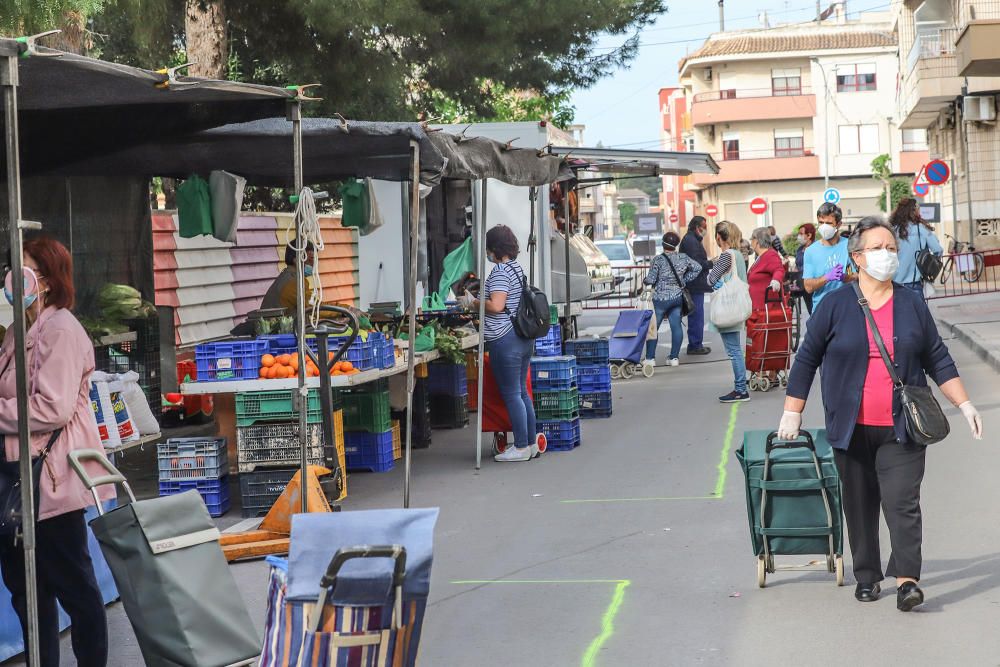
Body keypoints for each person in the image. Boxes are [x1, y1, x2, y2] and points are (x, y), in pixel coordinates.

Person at [778, 216, 983, 612]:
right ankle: (868, 574)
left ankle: (907, 580)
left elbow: (937, 357)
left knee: (902, 502)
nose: (887, 255)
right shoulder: (836, 304)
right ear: (857, 257)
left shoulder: (911, 303)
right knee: (859, 502)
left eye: (892, 248)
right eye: (877, 248)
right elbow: (806, 360)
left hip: (901, 426)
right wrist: (793, 412)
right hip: (850, 425)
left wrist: (964, 403)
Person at [0, 236, 112, 665]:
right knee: (28, 593)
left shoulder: (62, 328)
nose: (13, 277)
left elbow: (53, 406)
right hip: (15, 481)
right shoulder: (17, 329)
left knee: (75, 587)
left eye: (23, 269)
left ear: (45, 280)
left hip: (52, 479)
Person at [463, 225, 544, 462]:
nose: (488, 253)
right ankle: (530, 444)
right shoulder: (517, 269)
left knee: (511, 394)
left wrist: (473, 303)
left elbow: (497, 306)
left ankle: (519, 447)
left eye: (488, 249)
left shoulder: (499, 271)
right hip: (522, 339)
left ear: (495, 249)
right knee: (521, 393)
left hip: (504, 340)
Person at [641, 232, 702, 370]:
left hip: (660, 299)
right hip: (677, 298)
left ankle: (650, 359)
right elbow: (698, 268)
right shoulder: (683, 257)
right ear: (676, 245)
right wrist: (684, 280)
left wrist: (646, 281)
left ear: (663, 244)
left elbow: (650, 279)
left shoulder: (658, 260)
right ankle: (674, 357)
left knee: (653, 328)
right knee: (676, 326)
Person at [707, 221, 750, 403]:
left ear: (719, 237)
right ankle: (741, 387)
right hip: (736, 306)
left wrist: (716, 282)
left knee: (734, 351)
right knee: (736, 350)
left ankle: (741, 389)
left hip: (727, 307)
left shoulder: (726, 256)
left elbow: (711, 278)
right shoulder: (739, 255)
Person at [802, 203, 856, 311]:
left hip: (846, 309)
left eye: (829, 223)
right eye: (821, 222)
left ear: (838, 224)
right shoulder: (810, 251)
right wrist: (827, 277)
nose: (824, 226)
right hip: (821, 310)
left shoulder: (850, 246)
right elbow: (808, 287)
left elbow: (859, 276)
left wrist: (845, 277)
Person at [890, 198, 943, 295]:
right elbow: (938, 249)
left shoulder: (892, 231)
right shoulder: (921, 230)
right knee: (917, 310)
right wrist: (928, 264)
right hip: (914, 283)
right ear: (913, 212)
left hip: (893, 284)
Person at [679, 216, 713, 356]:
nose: (705, 229)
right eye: (703, 226)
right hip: (694, 284)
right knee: (696, 315)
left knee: (697, 315)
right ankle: (695, 345)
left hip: (695, 283)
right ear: (696, 227)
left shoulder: (692, 239)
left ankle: (696, 343)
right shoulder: (690, 241)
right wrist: (711, 264)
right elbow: (695, 264)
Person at [261, 242, 315, 313]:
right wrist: (334, 311)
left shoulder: (288, 276)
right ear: (296, 260)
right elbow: (313, 306)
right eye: (310, 259)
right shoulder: (294, 282)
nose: (313, 263)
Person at [747, 228, 786, 312]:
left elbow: (779, 269)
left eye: (752, 239)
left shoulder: (770, 254)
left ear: (757, 241)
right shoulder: (761, 256)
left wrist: (776, 280)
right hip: (758, 308)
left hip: (766, 309)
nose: (751, 242)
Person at [794, 223, 816, 314]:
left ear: (809, 235)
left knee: (815, 309)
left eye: (801, 234)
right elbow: (797, 264)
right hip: (802, 284)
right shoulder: (800, 249)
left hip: (813, 283)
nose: (799, 236)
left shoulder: (816, 248)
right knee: (810, 310)